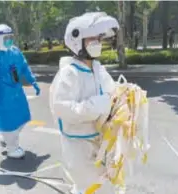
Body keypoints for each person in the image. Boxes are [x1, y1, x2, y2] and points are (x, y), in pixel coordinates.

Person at [49, 12, 119, 194]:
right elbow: (63, 108)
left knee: (100, 182)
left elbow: (112, 90)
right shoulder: (68, 73)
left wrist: (125, 95)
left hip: (99, 138)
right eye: (92, 38)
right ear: (76, 40)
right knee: (87, 183)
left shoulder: (97, 68)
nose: (98, 42)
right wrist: (96, 106)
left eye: (99, 38)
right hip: (78, 144)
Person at [0, 24, 41, 159]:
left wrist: (32, 81)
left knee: (22, 117)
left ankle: (5, 137)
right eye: (6, 37)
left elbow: (24, 66)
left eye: (10, 37)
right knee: (8, 121)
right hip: (2, 94)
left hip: (16, 90)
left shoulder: (15, 51)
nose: (9, 40)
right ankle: (12, 148)